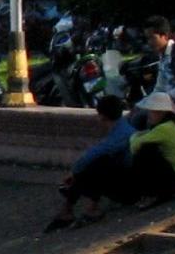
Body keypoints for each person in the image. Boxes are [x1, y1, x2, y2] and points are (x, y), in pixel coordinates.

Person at [44, 93, 134, 230]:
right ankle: (73, 208)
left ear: (102, 116)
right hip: (124, 177)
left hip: (127, 185)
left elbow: (93, 154)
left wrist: (73, 172)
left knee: (98, 164)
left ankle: (81, 208)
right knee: (96, 164)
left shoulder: (121, 135)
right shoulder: (124, 128)